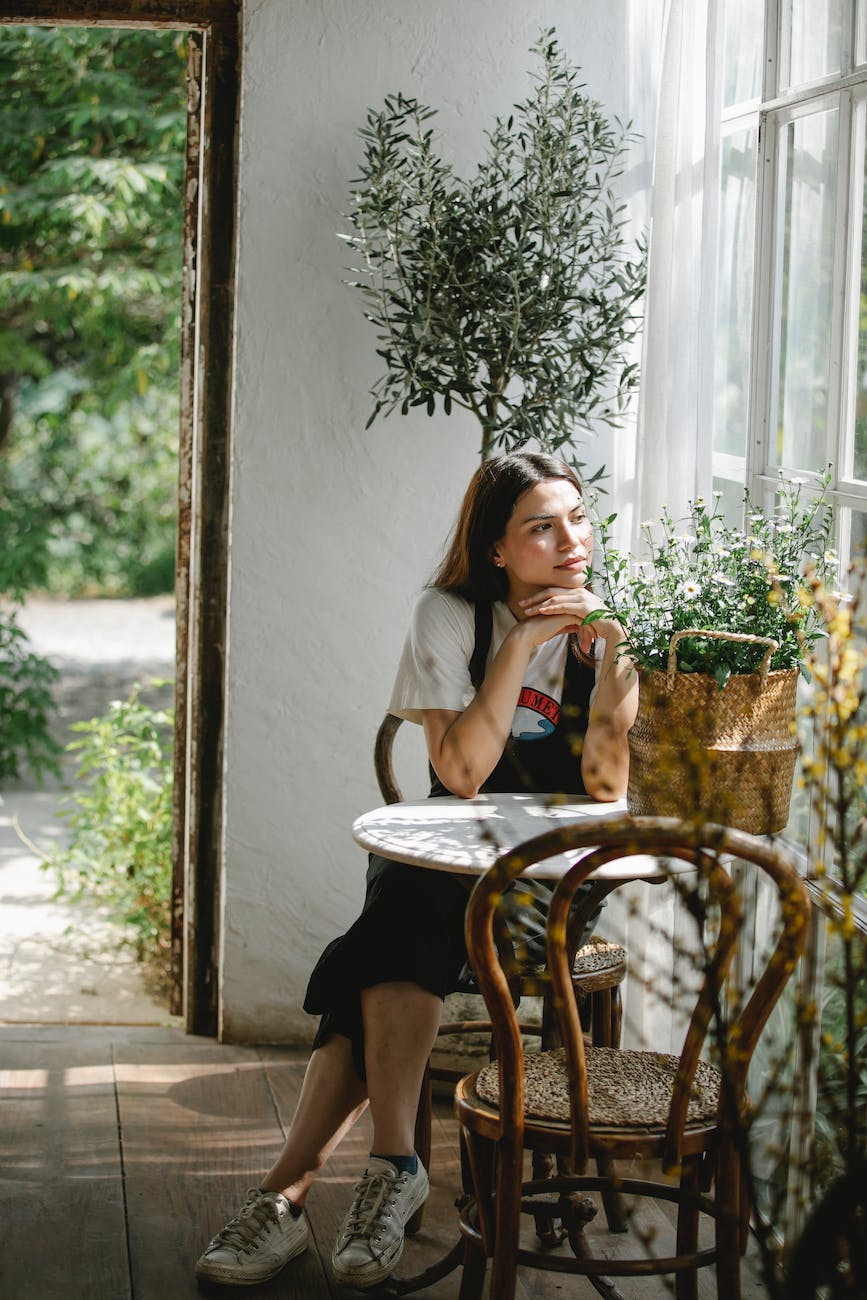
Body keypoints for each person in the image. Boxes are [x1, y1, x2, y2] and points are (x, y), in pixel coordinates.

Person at [195, 451, 637, 1290]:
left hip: (546, 887)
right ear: (497, 549)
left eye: (577, 519)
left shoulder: (610, 629)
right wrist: (522, 646)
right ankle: (390, 1167)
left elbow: (604, 792)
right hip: (440, 862)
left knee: (387, 935)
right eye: (540, 527)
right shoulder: (449, 615)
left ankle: (288, 1199)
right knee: (413, 904)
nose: (570, 541)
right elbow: (462, 775)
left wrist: (608, 663)